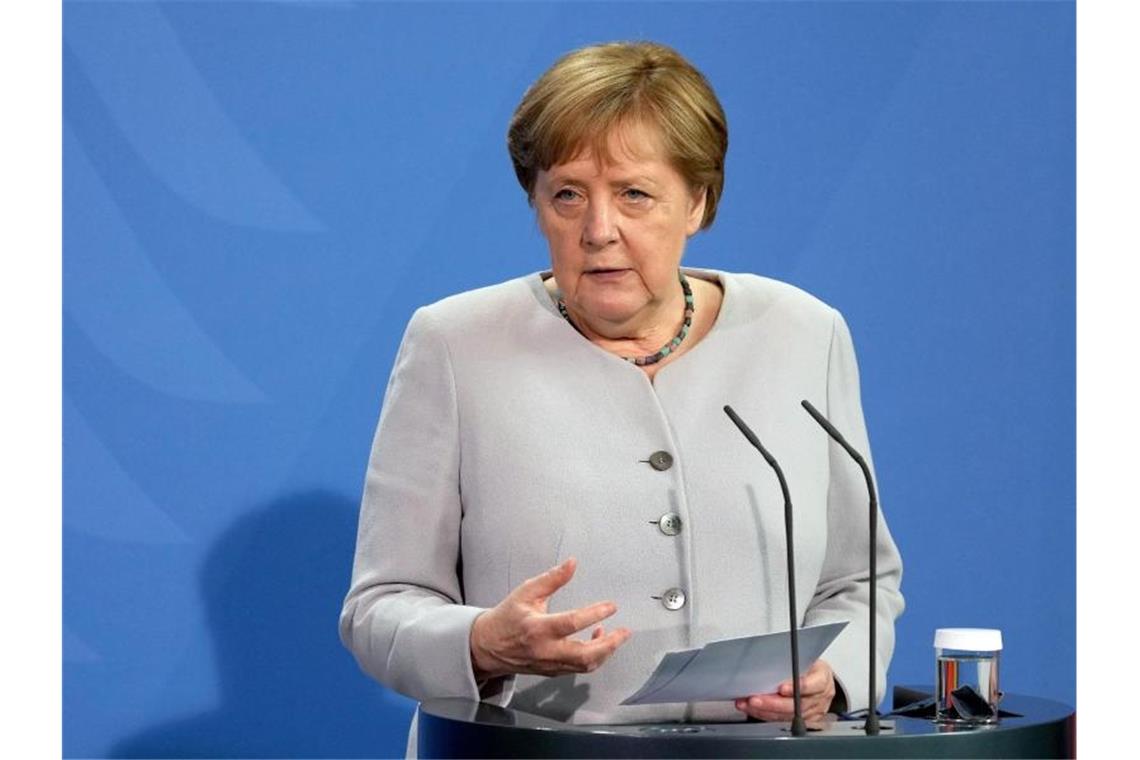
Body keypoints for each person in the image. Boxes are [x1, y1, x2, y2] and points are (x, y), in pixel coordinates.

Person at [339, 40, 904, 736]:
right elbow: (380, 606)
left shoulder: (803, 334)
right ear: (537, 205)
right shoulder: (456, 345)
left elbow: (857, 583)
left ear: (697, 201)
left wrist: (834, 677)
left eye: (635, 194)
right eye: (568, 196)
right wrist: (481, 642)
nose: (599, 230)